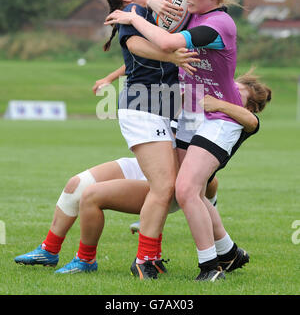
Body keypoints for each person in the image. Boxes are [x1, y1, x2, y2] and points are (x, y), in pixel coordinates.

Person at [14, 72, 271, 278]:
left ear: (247, 105)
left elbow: (248, 126)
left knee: (91, 197)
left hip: (165, 183)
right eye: (231, 87)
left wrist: (218, 104)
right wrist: (112, 78)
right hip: (149, 165)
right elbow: (154, 57)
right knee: (77, 184)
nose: (227, 93)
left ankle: (86, 260)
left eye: (237, 94)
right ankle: (48, 250)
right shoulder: (201, 102)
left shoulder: (230, 124)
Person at [105, 0, 257, 281]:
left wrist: (133, 18)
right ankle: (228, 253)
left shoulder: (216, 23)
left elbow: (167, 42)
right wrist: (152, 3)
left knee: (186, 189)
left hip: (219, 116)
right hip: (190, 116)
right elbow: (156, 25)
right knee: (191, 191)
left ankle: (210, 268)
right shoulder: (193, 13)